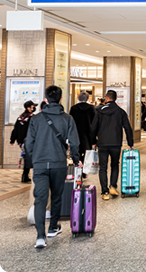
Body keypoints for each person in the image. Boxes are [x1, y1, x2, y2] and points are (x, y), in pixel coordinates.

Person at [25, 85, 80, 249]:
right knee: (56, 196)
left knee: (40, 199)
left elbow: (29, 144)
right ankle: (53, 227)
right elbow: (75, 143)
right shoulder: (67, 118)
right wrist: (76, 160)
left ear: (45, 100)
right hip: (58, 163)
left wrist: (35, 159)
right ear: (61, 99)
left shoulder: (35, 119)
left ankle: (40, 237)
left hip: (40, 164)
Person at [90, 90, 134, 201]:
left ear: (107, 98)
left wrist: (93, 141)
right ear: (115, 99)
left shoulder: (99, 111)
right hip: (116, 143)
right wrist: (130, 143)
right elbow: (128, 128)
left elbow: (93, 127)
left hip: (103, 143)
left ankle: (104, 192)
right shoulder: (121, 112)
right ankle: (113, 186)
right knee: (115, 165)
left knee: (103, 168)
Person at [69, 92, 96, 178]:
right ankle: (84, 170)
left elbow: (71, 122)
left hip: (76, 133)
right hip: (87, 134)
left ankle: (78, 168)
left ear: (78, 98)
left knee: (77, 151)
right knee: (87, 152)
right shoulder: (91, 108)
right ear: (87, 99)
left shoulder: (73, 108)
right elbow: (94, 122)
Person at [10, 100, 37, 183]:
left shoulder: (20, 117)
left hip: (21, 141)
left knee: (26, 157)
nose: (34, 108)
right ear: (28, 108)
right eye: (33, 106)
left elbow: (15, 129)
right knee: (28, 158)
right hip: (29, 140)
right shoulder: (32, 117)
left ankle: (25, 175)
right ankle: (25, 176)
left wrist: (12, 140)